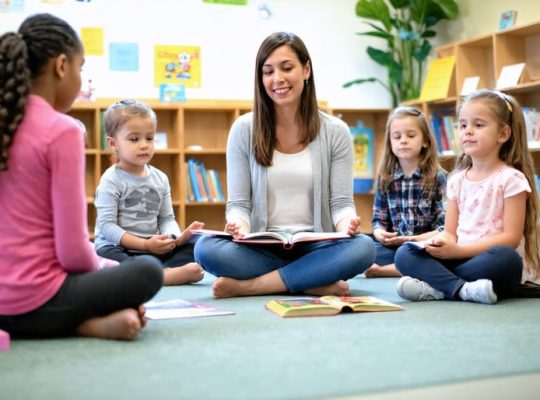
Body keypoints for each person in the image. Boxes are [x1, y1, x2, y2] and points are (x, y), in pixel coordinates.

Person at [0, 13, 163, 340]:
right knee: (146, 271)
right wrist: (110, 276)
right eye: (81, 67)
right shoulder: (63, 131)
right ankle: (80, 322)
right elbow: (72, 251)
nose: (80, 76)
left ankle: (83, 322)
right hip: (36, 299)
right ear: (62, 66)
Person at [194, 32, 376, 298]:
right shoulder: (243, 129)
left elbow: (340, 204)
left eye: (287, 68)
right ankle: (312, 280)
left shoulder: (336, 131)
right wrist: (238, 227)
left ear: (306, 69)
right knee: (205, 249)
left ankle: (255, 286)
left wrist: (346, 224)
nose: (277, 79)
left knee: (364, 248)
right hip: (262, 246)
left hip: (317, 244)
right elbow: (239, 205)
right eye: (268, 72)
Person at [395, 89, 540, 304]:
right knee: (404, 254)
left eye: (478, 125)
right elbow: (450, 232)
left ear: (503, 134)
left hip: (489, 262)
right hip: (460, 259)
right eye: (462, 125)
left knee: (507, 260)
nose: (467, 131)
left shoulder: (512, 179)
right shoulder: (456, 180)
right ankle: (461, 289)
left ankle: (438, 287)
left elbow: (511, 238)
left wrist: (458, 250)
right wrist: (439, 243)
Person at [94, 99, 205, 286]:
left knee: (197, 249)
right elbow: (107, 227)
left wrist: (174, 239)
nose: (144, 145)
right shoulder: (111, 180)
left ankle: (155, 272)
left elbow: (166, 219)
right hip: (118, 248)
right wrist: (145, 245)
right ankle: (162, 276)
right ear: (113, 143)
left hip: (152, 248)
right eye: (134, 139)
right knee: (108, 259)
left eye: (150, 138)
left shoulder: (160, 178)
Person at [365, 106, 446, 278]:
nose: (403, 140)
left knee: (437, 254)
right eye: (397, 136)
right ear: (390, 142)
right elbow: (378, 219)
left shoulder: (438, 178)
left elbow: (444, 227)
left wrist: (418, 240)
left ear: (425, 141)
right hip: (394, 247)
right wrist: (380, 233)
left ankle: (387, 271)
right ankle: (403, 267)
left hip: (425, 246)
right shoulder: (385, 178)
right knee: (365, 248)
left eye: (410, 135)